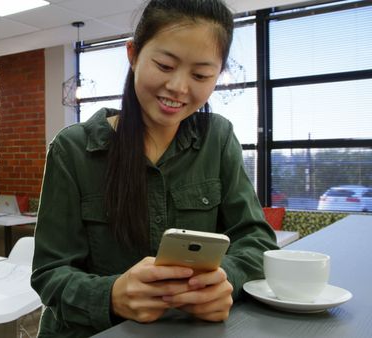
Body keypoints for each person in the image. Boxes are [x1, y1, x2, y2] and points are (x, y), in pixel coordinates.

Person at [30, 0, 279, 336]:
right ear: (133, 55)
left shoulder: (217, 139)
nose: (178, 87)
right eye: (164, 65)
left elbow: (257, 241)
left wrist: (226, 280)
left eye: (201, 74)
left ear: (217, 75)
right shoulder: (73, 149)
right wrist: (111, 295)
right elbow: (50, 272)